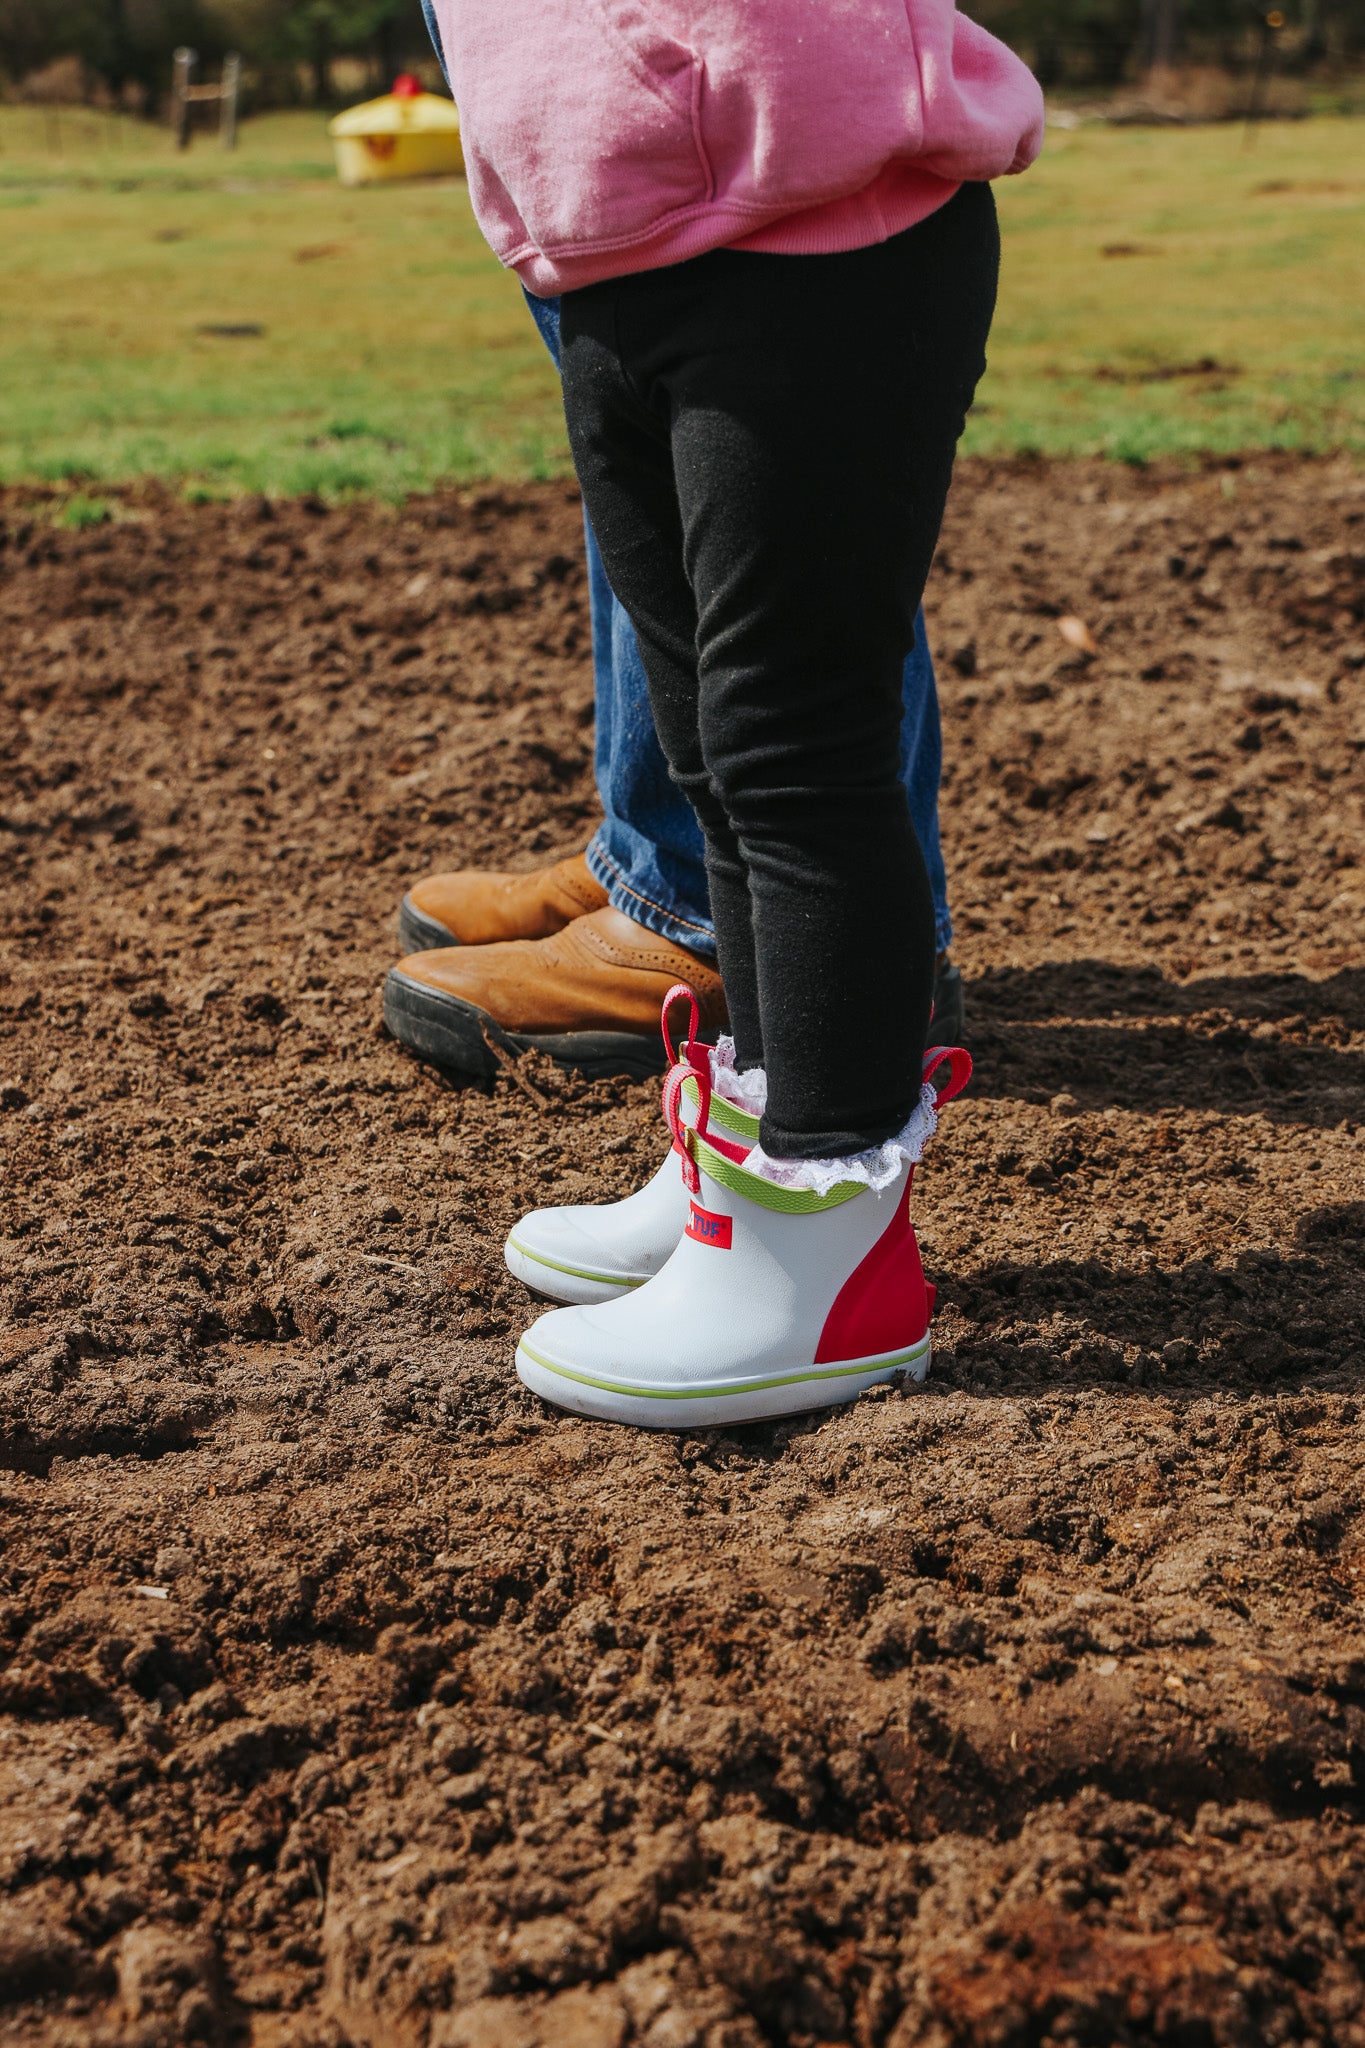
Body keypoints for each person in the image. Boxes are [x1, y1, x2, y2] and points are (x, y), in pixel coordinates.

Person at [397, 0, 1043, 1426]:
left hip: (807, 231)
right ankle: (745, 1156)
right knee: (706, 753)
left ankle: (826, 1252)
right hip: (611, 245)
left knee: (791, 746)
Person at [386, 23, 962, 1086]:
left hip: (767, 172)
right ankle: (667, 867)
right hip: (612, 187)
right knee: (695, 620)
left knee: (783, 698)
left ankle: (716, 921)